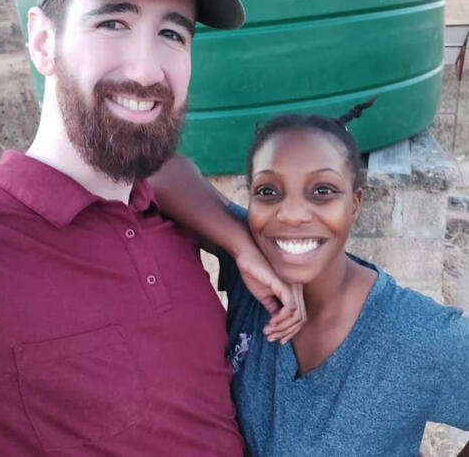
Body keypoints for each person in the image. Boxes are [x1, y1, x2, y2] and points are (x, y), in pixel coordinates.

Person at [0, 0, 304, 455]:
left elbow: (168, 170)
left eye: (172, 34)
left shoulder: (169, 220)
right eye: (111, 23)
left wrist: (238, 239)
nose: (147, 71)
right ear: (43, 41)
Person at [152, 100, 469, 456]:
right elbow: (154, 168)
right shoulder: (254, 263)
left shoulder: (412, 335)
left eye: (322, 191)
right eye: (268, 191)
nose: (291, 215)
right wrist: (240, 247)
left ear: (355, 203)